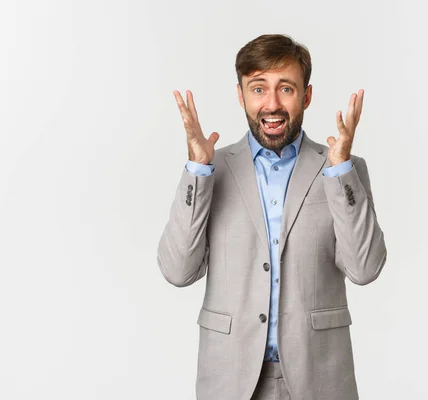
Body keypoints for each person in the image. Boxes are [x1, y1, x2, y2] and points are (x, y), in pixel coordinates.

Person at [157, 33, 387, 400]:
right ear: (241, 95)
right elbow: (178, 271)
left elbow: (365, 268)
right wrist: (198, 170)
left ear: (307, 96)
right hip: (229, 379)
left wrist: (340, 169)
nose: (272, 104)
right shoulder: (210, 171)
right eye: (259, 89)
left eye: (287, 89)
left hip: (320, 378)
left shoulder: (342, 169)